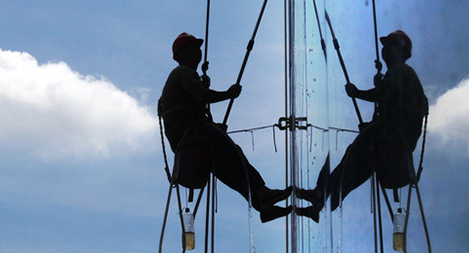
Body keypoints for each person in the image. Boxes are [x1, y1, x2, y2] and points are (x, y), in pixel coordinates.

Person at [160, 32, 292, 222]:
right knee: (233, 152)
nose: (198, 51)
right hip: (190, 135)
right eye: (193, 48)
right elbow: (200, 95)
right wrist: (228, 94)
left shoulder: (185, 76)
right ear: (182, 54)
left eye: (198, 47)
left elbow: (193, 104)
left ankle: (261, 205)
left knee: (229, 171)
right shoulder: (183, 73)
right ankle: (262, 192)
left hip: (188, 136)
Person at [297, 30, 428, 221]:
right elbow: (397, 109)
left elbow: (386, 93)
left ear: (398, 50)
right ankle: (323, 201)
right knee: (359, 166)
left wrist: (357, 93)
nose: (384, 50)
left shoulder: (402, 71)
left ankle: (322, 194)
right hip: (396, 145)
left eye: (388, 46)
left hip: (394, 139)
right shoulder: (400, 76)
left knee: (355, 153)